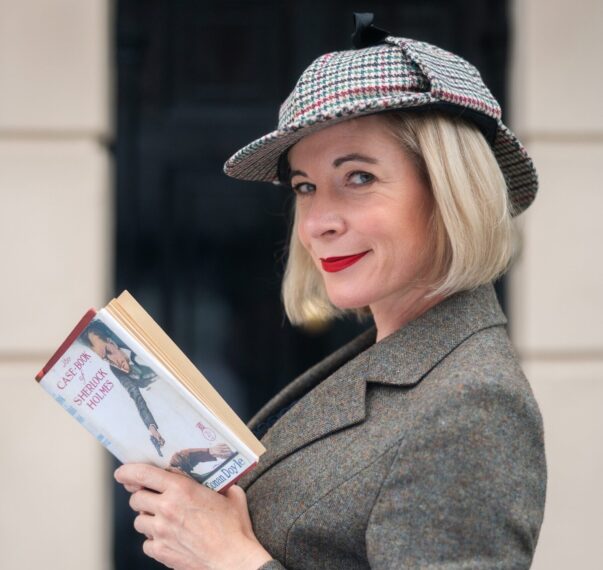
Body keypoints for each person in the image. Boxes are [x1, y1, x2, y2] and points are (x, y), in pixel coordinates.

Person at [114, 14, 546, 570]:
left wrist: (229, 557)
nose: (318, 221)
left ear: (450, 192)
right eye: (305, 187)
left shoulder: (473, 402)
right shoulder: (388, 359)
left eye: (359, 177)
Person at [82, 322, 166, 454]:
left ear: (113, 343)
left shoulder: (134, 342)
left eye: (109, 352)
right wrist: (152, 428)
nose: (113, 361)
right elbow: (136, 397)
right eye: (105, 359)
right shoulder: (116, 370)